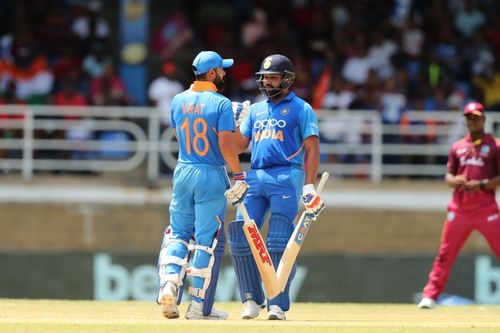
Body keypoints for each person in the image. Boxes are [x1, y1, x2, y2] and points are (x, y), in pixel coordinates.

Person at [227, 54, 325, 320]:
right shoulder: (256, 110)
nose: (268, 82)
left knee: (280, 238)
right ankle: (250, 299)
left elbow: (312, 148)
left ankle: (277, 303)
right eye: (265, 77)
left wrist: (309, 186)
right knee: (240, 233)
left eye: (273, 77)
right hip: (256, 175)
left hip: (287, 175)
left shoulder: (301, 108)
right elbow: (238, 146)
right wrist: (232, 124)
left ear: (287, 79)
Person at [156, 51, 249, 320]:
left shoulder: (177, 100)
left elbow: (178, 135)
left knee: (179, 235)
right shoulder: (220, 104)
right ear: (211, 74)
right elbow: (226, 144)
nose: (224, 74)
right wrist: (239, 175)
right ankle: (197, 307)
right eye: (221, 70)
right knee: (206, 243)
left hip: (183, 169)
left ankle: (170, 284)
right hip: (210, 173)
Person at [418, 101, 500, 309]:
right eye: (469, 118)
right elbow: (448, 175)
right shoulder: (457, 147)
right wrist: (454, 181)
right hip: (459, 210)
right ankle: (430, 296)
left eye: (476, 117)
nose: (472, 121)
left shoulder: (495, 146)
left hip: (486, 209)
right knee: (445, 253)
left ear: (483, 119)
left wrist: (481, 184)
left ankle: (431, 294)